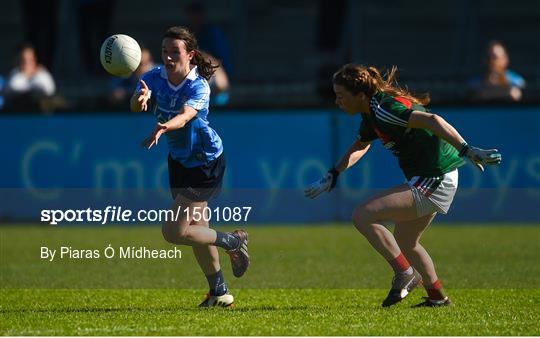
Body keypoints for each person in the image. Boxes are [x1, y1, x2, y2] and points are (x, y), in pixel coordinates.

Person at [305, 64, 501, 307]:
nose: (337, 102)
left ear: (360, 95)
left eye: (341, 96)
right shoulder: (372, 111)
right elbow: (361, 145)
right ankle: (438, 298)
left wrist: (467, 149)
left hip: (435, 177)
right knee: (407, 241)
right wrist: (334, 173)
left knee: (363, 216)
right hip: (434, 176)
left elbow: (432, 120)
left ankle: (405, 274)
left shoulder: (384, 109)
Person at [130, 26, 249, 307]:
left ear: (190, 55)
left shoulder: (198, 85)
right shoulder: (152, 78)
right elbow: (135, 105)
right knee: (197, 228)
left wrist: (163, 128)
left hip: (205, 162)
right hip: (180, 161)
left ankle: (233, 241)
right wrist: (140, 100)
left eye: (175, 52)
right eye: (164, 52)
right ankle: (219, 292)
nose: (168, 58)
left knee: (174, 231)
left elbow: (184, 117)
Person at [4, 43, 56, 112]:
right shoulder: (14, 74)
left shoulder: (43, 75)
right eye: (23, 60)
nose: (26, 63)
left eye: (29, 59)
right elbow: (8, 91)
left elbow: (49, 91)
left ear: (34, 59)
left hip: (41, 115)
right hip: (17, 114)